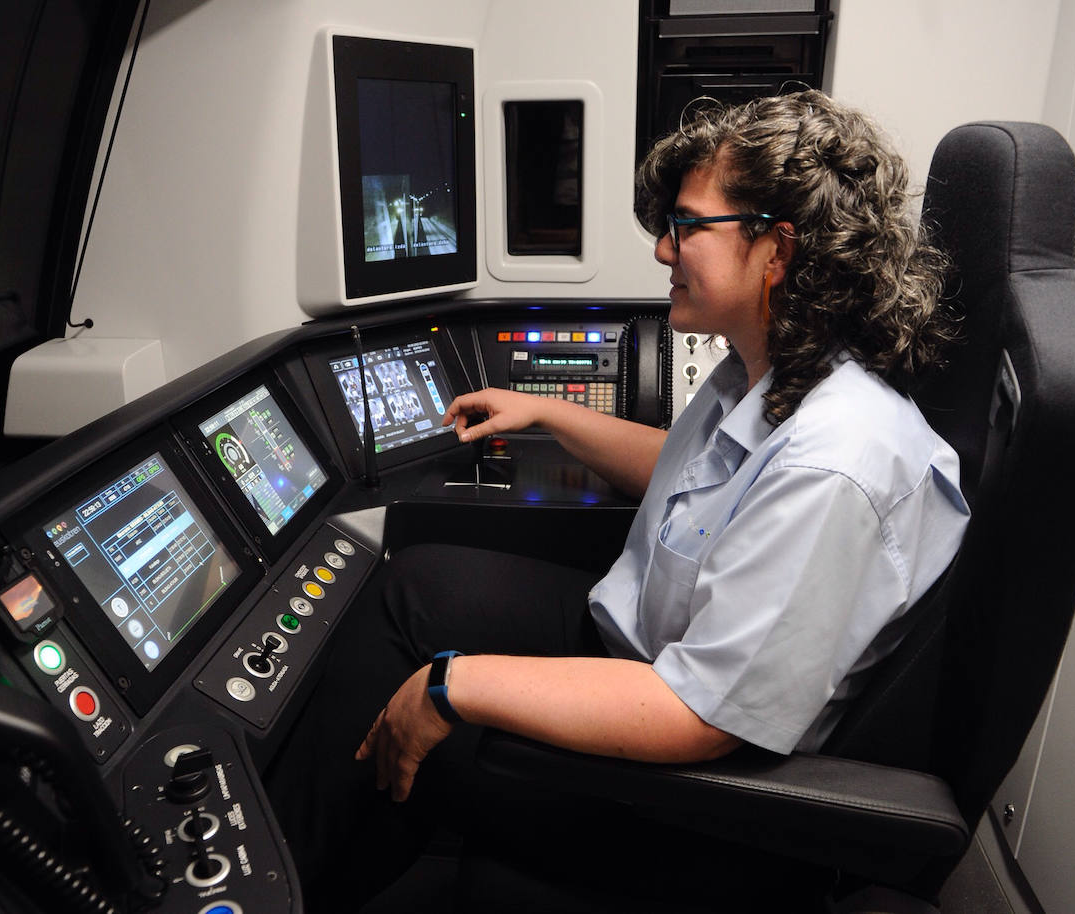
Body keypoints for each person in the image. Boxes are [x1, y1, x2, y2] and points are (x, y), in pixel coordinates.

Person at [264, 89, 970, 911]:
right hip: (644, 645)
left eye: (688, 226)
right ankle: (299, 858)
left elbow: (698, 716)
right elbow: (696, 479)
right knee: (411, 585)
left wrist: (450, 687)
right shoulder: (778, 366)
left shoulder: (836, 465)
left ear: (776, 250)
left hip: (694, 801)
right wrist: (548, 412)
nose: (666, 251)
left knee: (415, 726)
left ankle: (286, 887)